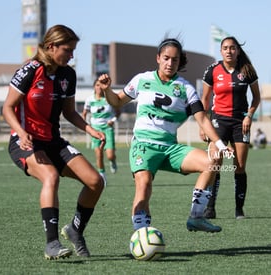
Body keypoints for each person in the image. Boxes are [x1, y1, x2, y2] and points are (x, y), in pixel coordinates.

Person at [98, 38, 232, 233]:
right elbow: (117, 102)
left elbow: (202, 119)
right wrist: (106, 90)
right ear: (158, 58)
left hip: (170, 148)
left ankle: (196, 216)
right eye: (166, 58)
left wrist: (220, 145)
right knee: (144, 186)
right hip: (144, 145)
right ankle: (142, 235)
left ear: (179, 62)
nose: (170, 63)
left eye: (175, 60)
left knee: (211, 162)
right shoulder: (141, 80)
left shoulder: (186, 88)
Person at [2, 25, 106, 260]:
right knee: (51, 176)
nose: (71, 56)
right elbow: (7, 108)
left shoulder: (67, 75)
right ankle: (51, 244)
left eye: (73, 51)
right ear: (51, 47)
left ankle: (75, 230)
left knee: (95, 181)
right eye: (68, 50)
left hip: (53, 141)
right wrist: (21, 131)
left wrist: (90, 129)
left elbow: (69, 112)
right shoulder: (30, 70)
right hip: (24, 142)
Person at [200, 36, 261, 219]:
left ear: (238, 51)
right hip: (218, 121)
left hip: (240, 123)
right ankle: (210, 208)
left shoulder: (247, 70)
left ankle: (239, 209)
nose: (229, 51)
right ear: (221, 51)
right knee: (215, 163)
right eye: (225, 48)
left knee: (239, 166)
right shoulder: (212, 70)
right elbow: (204, 99)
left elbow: (256, 97)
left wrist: (249, 116)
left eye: (232, 48)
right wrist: (204, 125)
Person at [82, 79, 121, 182]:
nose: (99, 87)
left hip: (107, 129)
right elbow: (84, 113)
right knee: (99, 154)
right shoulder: (90, 99)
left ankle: (113, 161)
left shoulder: (109, 99)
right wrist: (87, 125)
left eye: (101, 85)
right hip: (95, 130)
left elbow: (118, 112)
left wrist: (113, 120)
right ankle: (102, 176)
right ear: (94, 87)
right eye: (97, 85)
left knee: (110, 155)